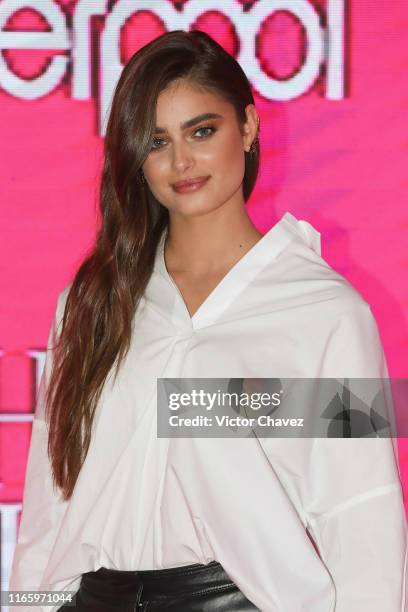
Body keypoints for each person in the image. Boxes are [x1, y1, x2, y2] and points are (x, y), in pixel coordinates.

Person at [9, 29, 407, 612]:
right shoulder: (90, 301)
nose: (180, 161)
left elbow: (361, 510)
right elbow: (51, 499)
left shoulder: (329, 313)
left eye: (201, 130)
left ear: (247, 127)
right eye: (156, 140)